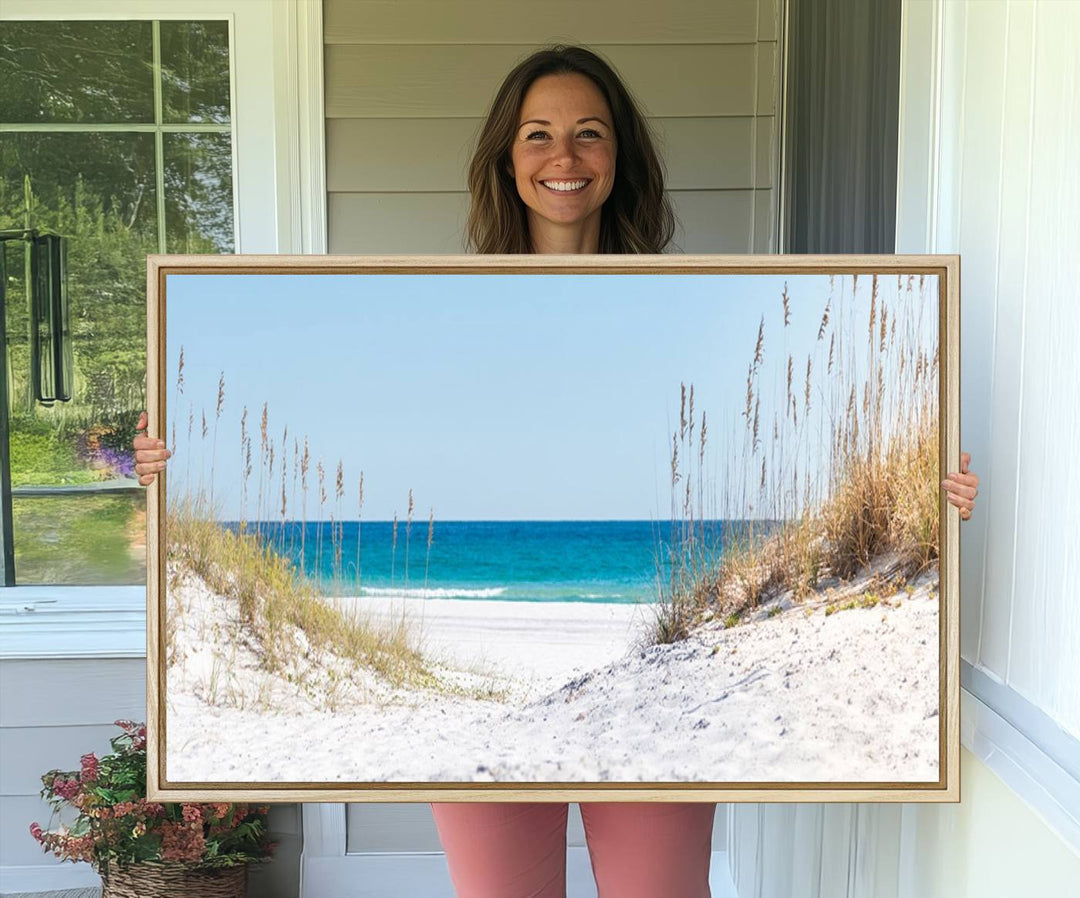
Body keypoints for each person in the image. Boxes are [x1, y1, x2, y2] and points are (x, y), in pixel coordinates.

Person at [133, 44, 980, 898]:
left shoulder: (697, 306)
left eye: (589, 134)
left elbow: (805, 459)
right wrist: (170, 466)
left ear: (619, 159)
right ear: (507, 158)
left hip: (661, 687)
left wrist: (928, 505)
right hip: (480, 713)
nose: (563, 157)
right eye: (538, 135)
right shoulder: (442, 309)